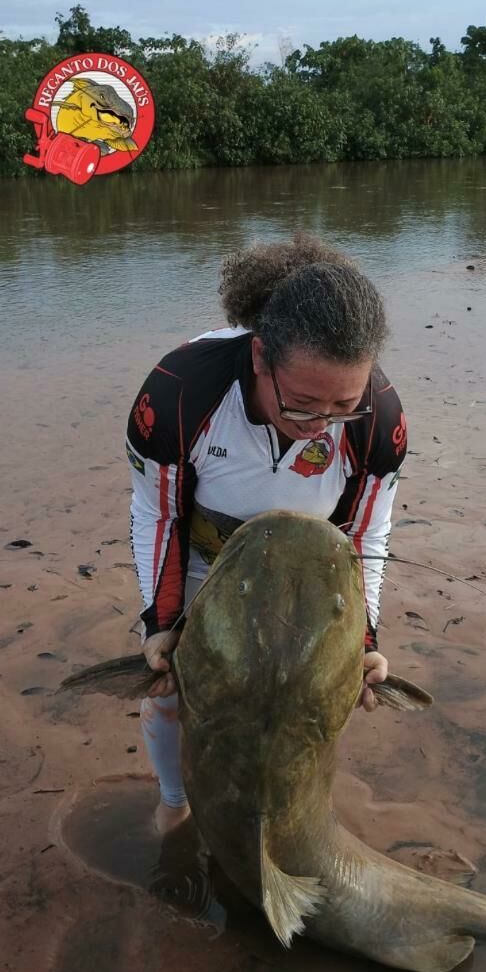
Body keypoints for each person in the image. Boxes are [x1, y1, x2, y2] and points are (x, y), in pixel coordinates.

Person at [125, 236, 406, 834]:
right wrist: (161, 623)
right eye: (302, 404)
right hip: (208, 553)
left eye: (342, 407)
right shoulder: (180, 391)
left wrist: (363, 639)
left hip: (312, 567)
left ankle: (283, 811)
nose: (320, 426)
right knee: (174, 689)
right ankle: (174, 801)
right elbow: (159, 514)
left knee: (297, 700)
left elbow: (364, 531)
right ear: (259, 358)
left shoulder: (380, 417)